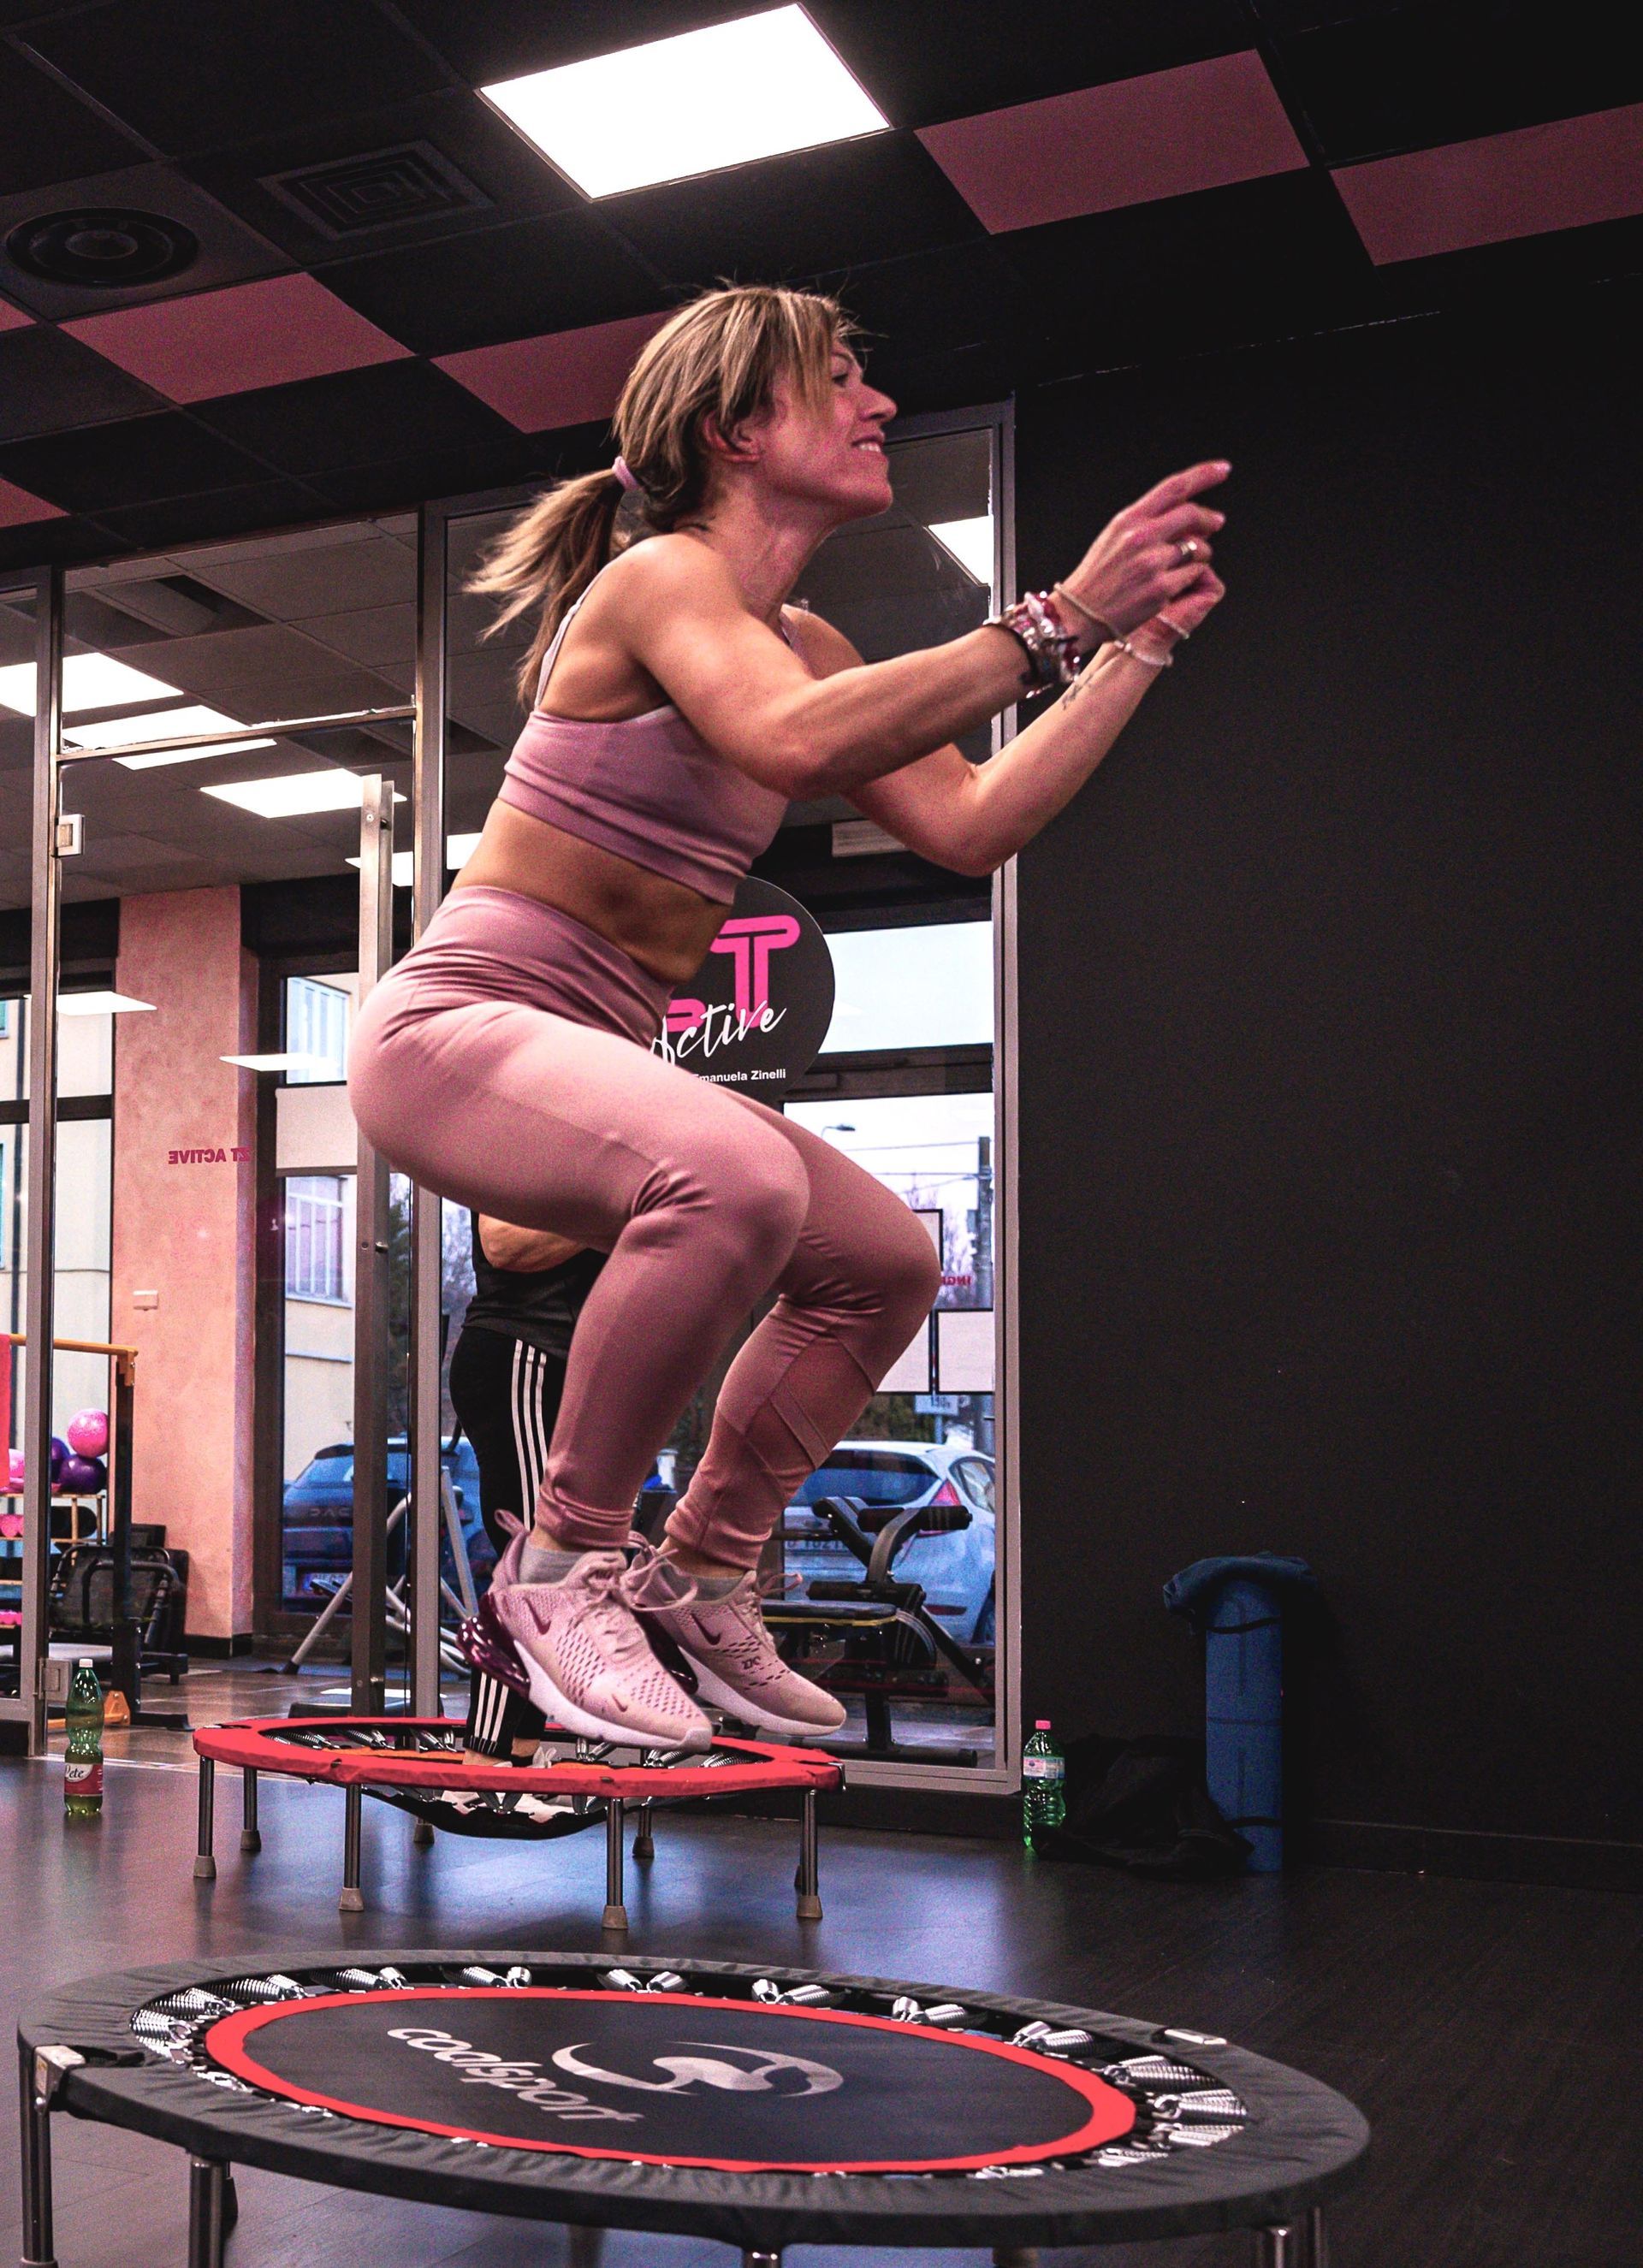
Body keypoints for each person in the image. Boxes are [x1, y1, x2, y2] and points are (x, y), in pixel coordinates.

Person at [349, 282, 1226, 1753]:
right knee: (735, 1175)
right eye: (841, 380)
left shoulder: (801, 638)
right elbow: (785, 743)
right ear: (735, 428)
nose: (878, 403)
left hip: (581, 1049)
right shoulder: (659, 580)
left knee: (886, 1260)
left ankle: (699, 1571)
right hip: (454, 1030)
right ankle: (560, 1568)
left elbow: (970, 821)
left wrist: (1133, 652)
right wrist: (1061, 612)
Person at [447, 1214, 603, 1762]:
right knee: (537, 1564)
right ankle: (481, 1762)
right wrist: (626, 1210)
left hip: (571, 1362)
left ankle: (516, 1756)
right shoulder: (534, 1136)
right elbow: (505, 1243)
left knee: (567, 1566)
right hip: (525, 1352)